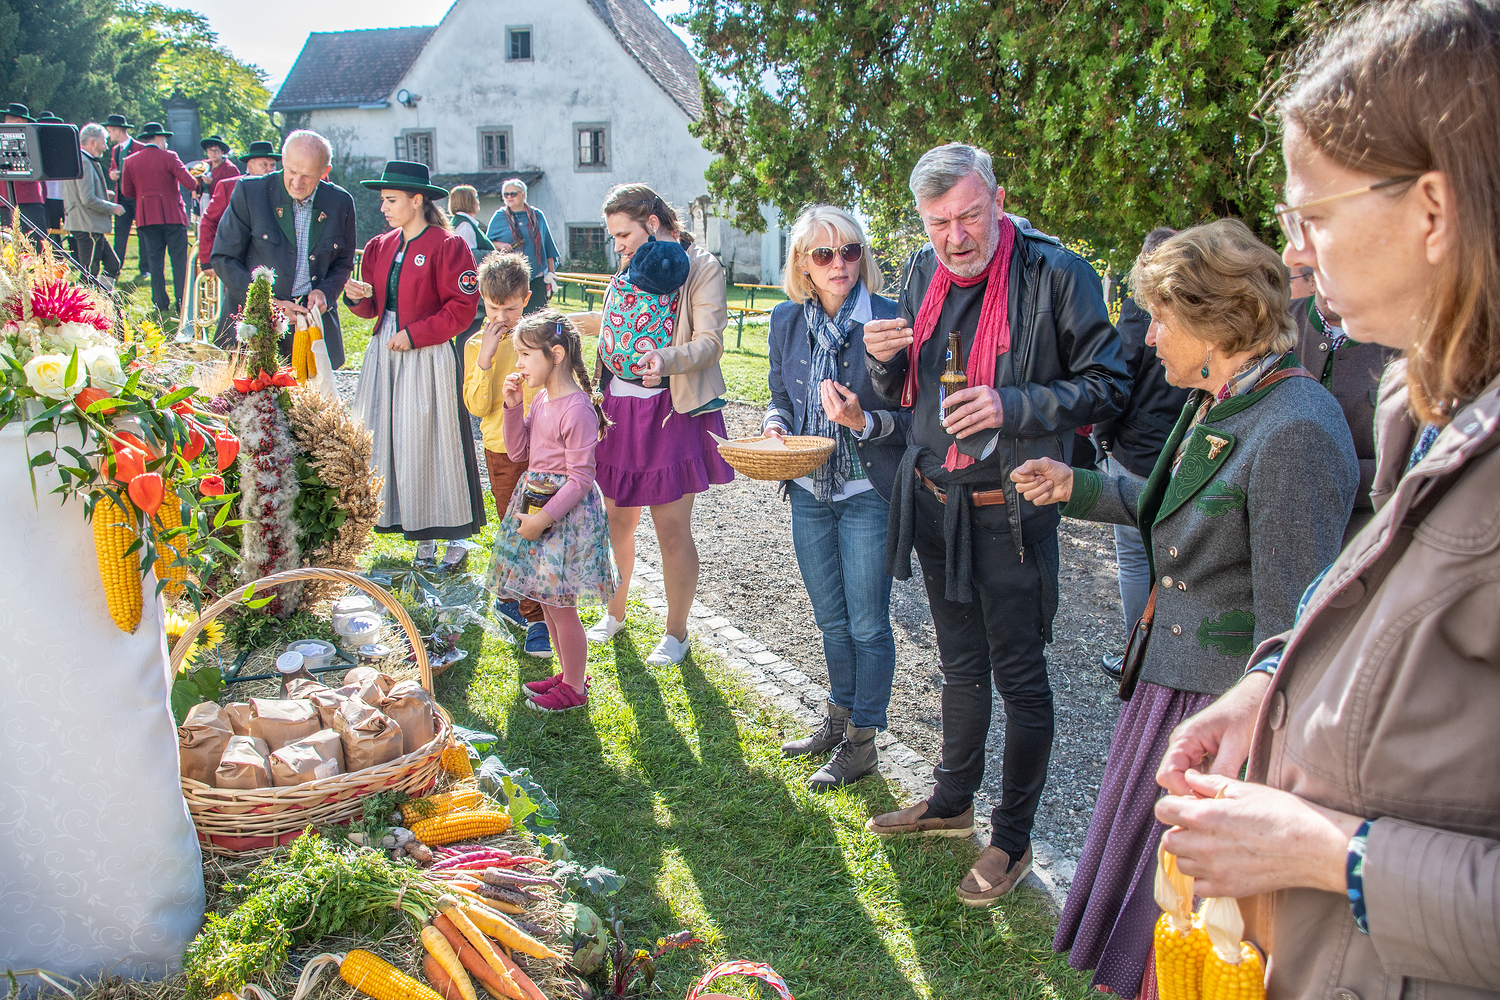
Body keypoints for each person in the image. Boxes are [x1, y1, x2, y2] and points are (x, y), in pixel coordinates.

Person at [1152, 3, 1500, 996]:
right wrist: (1268, 686)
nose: (1296, 253)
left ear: (1431, 209)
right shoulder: (1425, 405)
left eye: (1314, 217)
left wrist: (1327, 852)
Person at [1012, 220, 1358, 998]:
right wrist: (1078, 486)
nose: (1148, 336)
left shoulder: (1296, 428)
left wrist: (1247, 773)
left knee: (1193, 926)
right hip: (1171, 689)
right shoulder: (1224, 399)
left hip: (1217, 712)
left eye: (1162, 318)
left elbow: (1292, 635)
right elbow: (1183, 509)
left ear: (1215, 323)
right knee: (1154, 913)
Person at [861, 143, 1130, 907]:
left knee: (1020, 680)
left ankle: (1011, 839)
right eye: (938, 221)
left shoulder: (1058, 273)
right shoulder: (920, 271)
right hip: (935, 503)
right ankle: (952, 803)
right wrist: (880, 359)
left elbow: (1109, 384)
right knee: (958, 666)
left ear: (999, 200)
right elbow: (904, 389)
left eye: (970, 216)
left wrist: (1011, 405)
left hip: (1011, 510)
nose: (955, 237)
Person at [764, 204, 908, 791]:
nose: (839, 263)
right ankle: (839, 718)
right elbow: (779, 395)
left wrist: (861, 421)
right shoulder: (785, 320)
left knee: (868, 623)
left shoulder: (889, 319)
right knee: (830, 619)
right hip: (807, 488)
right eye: (823, 254)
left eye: (850, 250)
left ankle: (862, 742)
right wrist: (775, 427)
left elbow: (915, 416)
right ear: (803, 262)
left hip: (867, 490)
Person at [586, 183, 735, 666]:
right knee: (617, 520)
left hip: (671, 409)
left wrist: (665, 359)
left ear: (652, 223)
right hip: (619, 408)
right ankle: (615, 613)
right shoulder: (633, 262)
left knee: (670, 527)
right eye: (614, 237)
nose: (619, 247)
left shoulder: (702, 266)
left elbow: (711, 341)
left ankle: (676, 633)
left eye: (623, 235)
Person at [345, 160, 486, 565]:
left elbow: (462, 308)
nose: (384, 207)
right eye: (383, 200)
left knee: (432, 439)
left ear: (417, 199)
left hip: (426, 353)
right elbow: (373, 306)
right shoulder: (380, 245)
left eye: (391, 200)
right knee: (392, 438)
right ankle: (419, 528)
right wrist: (355, 297)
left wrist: (415, 334)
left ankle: (454, 533)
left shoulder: (448, 245)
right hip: (386, 350)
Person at [484, 310, 617, 713]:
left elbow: (580, 478)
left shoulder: (576, 409)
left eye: (526, 355)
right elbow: (519, 452)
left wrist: (543, 519)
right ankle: (567, 674)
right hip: (539, 505)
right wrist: (512, 407)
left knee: (561, 605)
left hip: (563, 518)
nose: (519, 364)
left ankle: (575, 687)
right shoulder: (542, 398)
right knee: (547, 600)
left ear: (555, 355)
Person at [1091, 227, 1193, 681]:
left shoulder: (1143, 308)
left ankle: (1141, 653)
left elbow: (1120, 375)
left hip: (1139, 449)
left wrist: (1103, 438)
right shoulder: (1190, 307)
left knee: (1136, 555)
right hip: (1179, 447)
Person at [464, 251, 554, 660]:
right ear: (483, 301)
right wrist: (485, 358)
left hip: (544, 451)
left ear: (526, 299)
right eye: (493, 308)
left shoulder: (541, 339)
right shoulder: (475, 346)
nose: (502, 317)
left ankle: (521, 604)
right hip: (502, 451)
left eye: (512, 309)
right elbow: (477, 406)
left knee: (539, 529)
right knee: (516, 528)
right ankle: (530, 612)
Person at [211, 130, 357, 368]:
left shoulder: (340, 202)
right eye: (291, 171)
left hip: (312, 330)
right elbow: (223, 258)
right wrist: (267, 303)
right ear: (283, 160)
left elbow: (343, 262)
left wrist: (325, 293)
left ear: (325, 171)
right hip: (254, 328)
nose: (297, 183)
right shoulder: (250, 192)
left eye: (307, 176)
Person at [1291, 286, 1401, 542]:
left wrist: (1331, 477)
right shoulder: (1272, 324)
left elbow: (1417, 456)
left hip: (1365, 535)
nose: (1329, 282)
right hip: (1277, 532)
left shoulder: (1403, 338)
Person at [119, 122, 197, 318]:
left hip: (147, 217)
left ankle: (160, 302)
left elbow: (126, 191)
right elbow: (190, 183)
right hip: (172, 215)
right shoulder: (169, 156)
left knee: (155, 262)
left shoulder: (130, 161)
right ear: (159, 138)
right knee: (179, 262)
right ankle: (182, 302)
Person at [198, 140, 280, 276]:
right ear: (250, 166)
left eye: (273, 165)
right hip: (235, 260)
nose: (270, 169)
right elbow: (208, 221)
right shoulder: (228, 186)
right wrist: (207, 261)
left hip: (270, 261)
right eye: (264, 165)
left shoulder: (280, 190)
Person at [62, 123, 125, 285]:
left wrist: (104, 195)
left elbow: (81, 194)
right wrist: (113, 208)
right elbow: (87, 199)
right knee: (89, 272)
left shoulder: (80, 159)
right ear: (92, 142)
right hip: (87, 225)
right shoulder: (84, 161)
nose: (106, 146)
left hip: (88, 224)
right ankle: (84, 299)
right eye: (104, 142)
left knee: (112, 265)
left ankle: (104, 297)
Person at [485, 179, 558, 314]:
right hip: (510, 277)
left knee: (537, 316)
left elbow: (548, 245)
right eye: (506, 194)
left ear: (524, 194)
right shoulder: (499, 216)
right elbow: (487, 243)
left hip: (536, 276)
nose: (509, 197)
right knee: (513, 315)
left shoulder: (537, 215)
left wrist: (551, 273)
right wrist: (500, 245)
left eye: (513, 194)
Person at [103, 113, 145, 277]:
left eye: (110, 132)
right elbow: (113, 167)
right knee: (120, 234)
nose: (109, 136)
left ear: (117, 130)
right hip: (121, 197)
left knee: (142, 233)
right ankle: (116, 267)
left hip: (137, 197)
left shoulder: (140, 147)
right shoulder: (116, 149)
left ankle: (145, 268)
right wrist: (112, 173)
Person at [2, 103, 46, 249]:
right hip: (11, 198)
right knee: (10, 244)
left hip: (24, 198)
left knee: (32, 243)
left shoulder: (30, 138)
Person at [197, 135, 239, 203]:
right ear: (207, 151)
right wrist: (193, 191)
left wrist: (213, 182)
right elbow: (195, 180)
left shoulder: (230, 168)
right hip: (202, 201)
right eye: (210, 150)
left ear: (222, 151)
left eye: (216, 150)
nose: (213, 153)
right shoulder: (203, 165)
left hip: (220, 203)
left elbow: (232, 190)